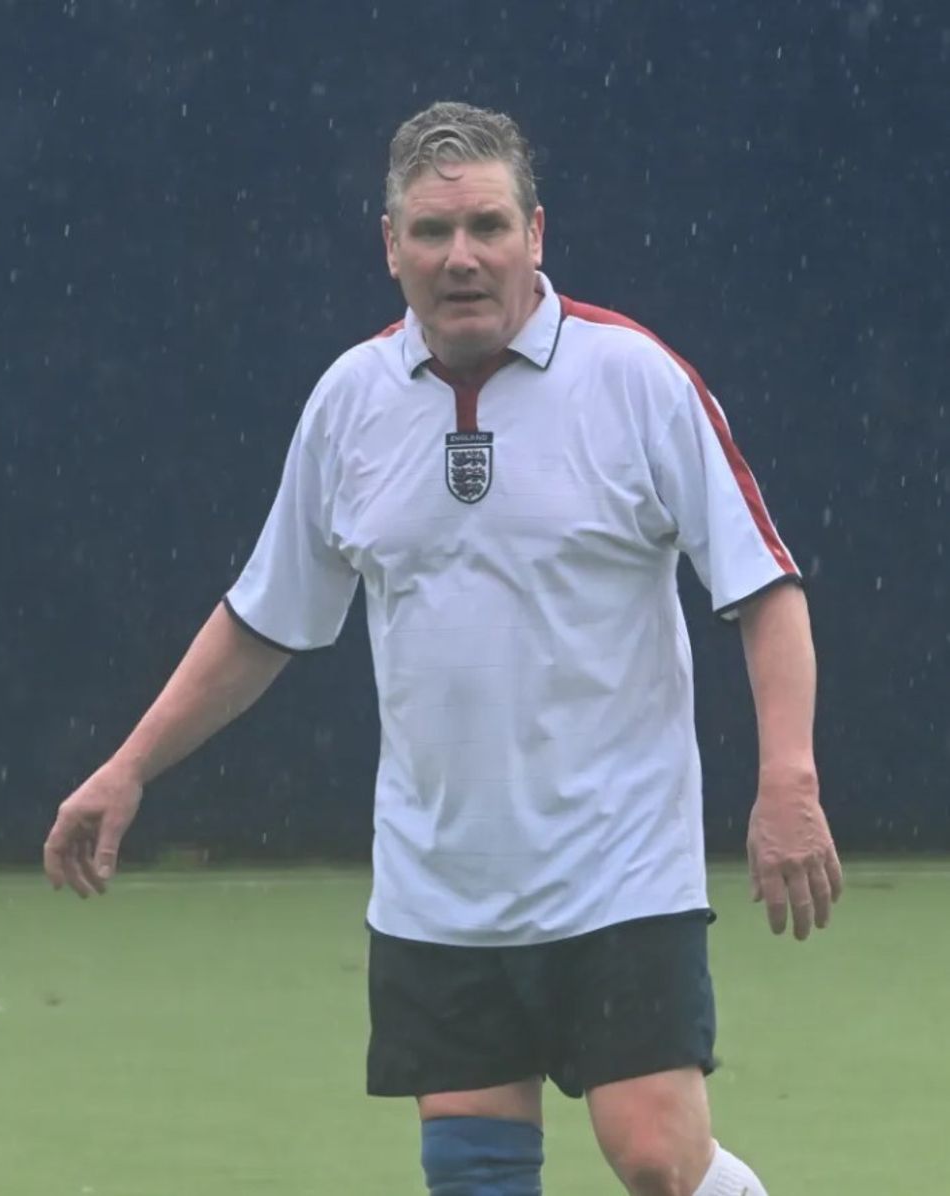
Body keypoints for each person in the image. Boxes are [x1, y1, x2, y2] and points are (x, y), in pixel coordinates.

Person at [44, 101, 843, 1196]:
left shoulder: (635, 378)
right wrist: (128, 767)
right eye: (431, 230)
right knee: (473, 1175)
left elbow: (763, 584)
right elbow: (265, 617)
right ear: (391, 247)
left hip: (619, 869)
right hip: (438, 886)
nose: (460, 256)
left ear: (534, 234)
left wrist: (788, 777)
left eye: (487, 226)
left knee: (656, 1157)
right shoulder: (349, 403)